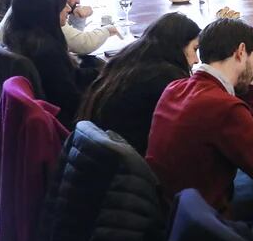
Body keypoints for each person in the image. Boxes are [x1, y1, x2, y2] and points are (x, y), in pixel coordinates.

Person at [146, 18, 253, 217]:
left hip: (169, 210)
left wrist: (248, 79)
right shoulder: (225, 108)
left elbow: (240, 124)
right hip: (208, 220)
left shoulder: (174, 87)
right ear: (240, 51)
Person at [78, 13, 201, 155]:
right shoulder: (166, 80)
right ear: (178, 46)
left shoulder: (129, 60)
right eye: (194, 49)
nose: (197, 60)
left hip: (97, 155)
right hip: (128, 165)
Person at [0, 0, 97, 129]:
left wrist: (105, 72)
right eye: (62, 3)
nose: (68, 8)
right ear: (46, 9)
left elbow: (68, 77)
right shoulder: (46, 51)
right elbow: (70, 101)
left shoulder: (20, 36)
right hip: (69, 125)